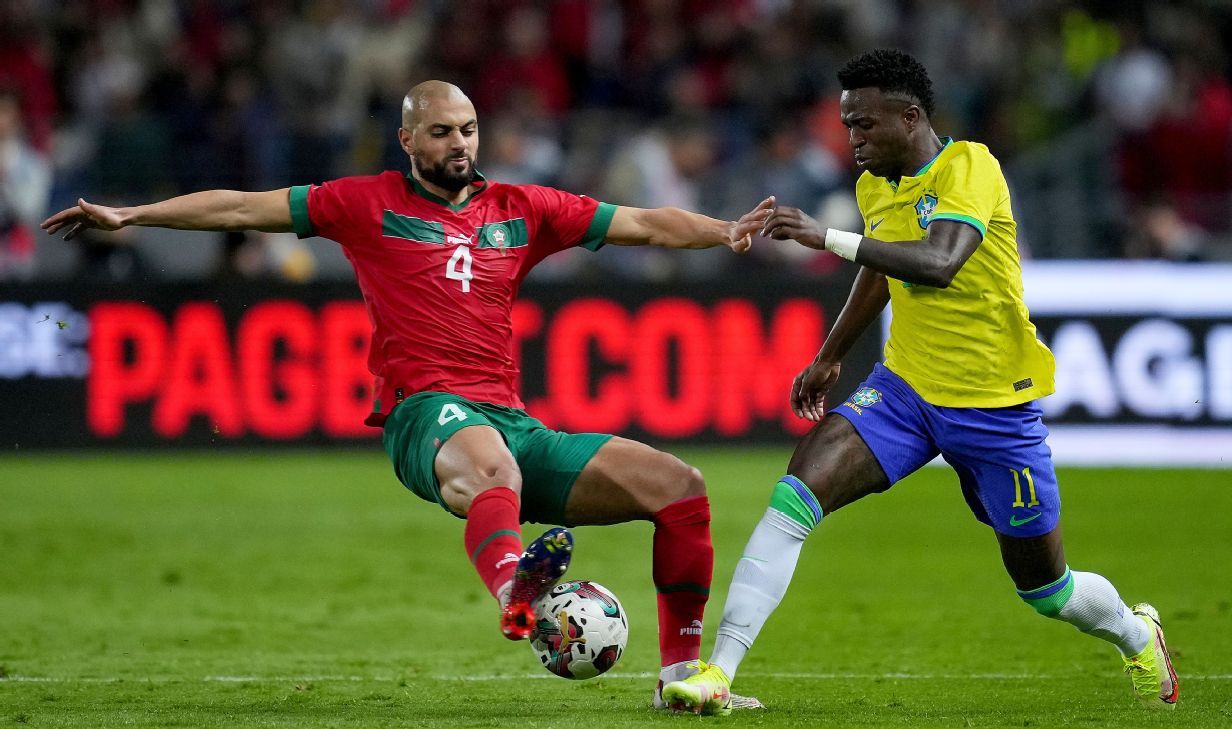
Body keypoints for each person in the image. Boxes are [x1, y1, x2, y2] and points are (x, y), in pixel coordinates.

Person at [42, 80, 769, 710]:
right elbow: (240, 208)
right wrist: (132, 215)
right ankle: (516, 593)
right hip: (425, 412)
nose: (460, 143)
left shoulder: (525, 207)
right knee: (494, 467)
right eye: (442, 131)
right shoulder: (362, 202)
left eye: (469, 129)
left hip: (511, 419)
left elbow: (641, 222)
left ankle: (680, 681)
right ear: (408, 140)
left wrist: (724, 230)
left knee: (679, 487)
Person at [663, 50, 1179, 715]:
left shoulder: (971, 168)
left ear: (910, 118)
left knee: (1046, 589)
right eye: (847, 125)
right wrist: (830, 354)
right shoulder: (875, 185)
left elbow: (938, 262)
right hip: (904, 393)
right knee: (795, 496)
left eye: (865, 125)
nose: (853, 140)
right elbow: (881, 270)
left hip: (994, 408)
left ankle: (1136, 634)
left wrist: (825, 238)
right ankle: (719, 673)